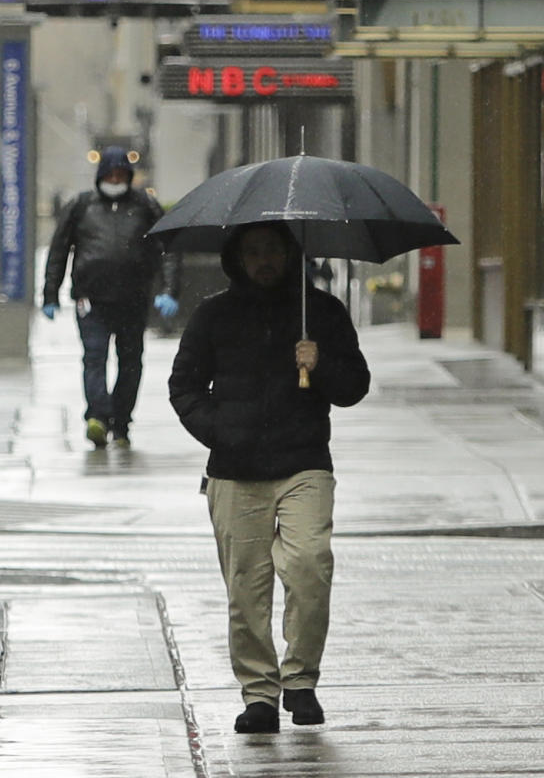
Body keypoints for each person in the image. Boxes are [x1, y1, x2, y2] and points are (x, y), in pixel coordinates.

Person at [168, 221, 370, 734]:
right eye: (253, 252)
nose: (264, 261)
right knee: (246, 588)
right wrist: (220, 431)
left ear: (290, 254)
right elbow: (184, 385)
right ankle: (259, 693)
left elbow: (354, 386)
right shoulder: (214, 314)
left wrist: (319, 363)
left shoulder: (320, 311)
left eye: (273, 251)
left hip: (304, 462)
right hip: (235, 471)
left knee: (308, 565)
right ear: (237, 258)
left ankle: (300, 681)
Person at [42, 146, 180, 449]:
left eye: (121, 174)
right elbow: (59, 250)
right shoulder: (81, 206)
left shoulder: (145, 205)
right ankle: (99, 418)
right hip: (91, 300)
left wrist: (169, 290)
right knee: (94, 357)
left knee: (130, 363)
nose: (115, 179)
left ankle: (121, 421)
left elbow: (167, 248)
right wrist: (50, 293)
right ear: (101, 175)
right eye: (110, 174)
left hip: (133, 298)